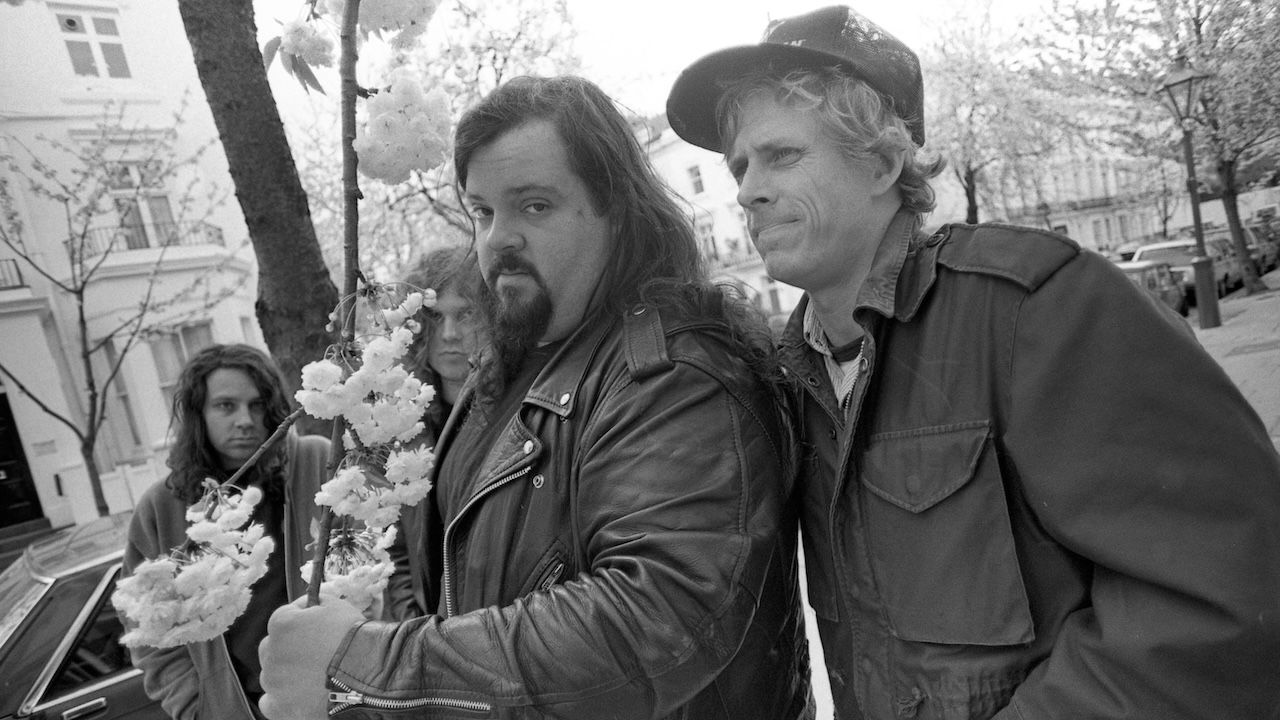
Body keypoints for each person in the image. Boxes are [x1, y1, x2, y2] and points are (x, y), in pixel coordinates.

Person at [665, 6, 1280, 719]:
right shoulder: (789, 379)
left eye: (781, 155)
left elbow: (1222, 605)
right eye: (740, 166)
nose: (748, 190)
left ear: (882, 162)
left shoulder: (1040, 307)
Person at [258, 75, 814, 720]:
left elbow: (652, 620)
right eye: (483, 211)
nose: (498, 238)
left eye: (535, 205)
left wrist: (366, 669)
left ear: (616, 209)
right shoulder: (506, 369)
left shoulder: (674, 376)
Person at [122, 344, 331, 720]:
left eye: (257, 405)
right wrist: (199, 707)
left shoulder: (315, 462)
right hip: (236, 706)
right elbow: (148, 627)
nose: (245, 420)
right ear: (199, 414)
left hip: (335, 697)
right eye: (225, 406)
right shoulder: (161, 506)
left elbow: (370, 565)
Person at [386, 244, 489, 620]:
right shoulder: (403, 425)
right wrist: (411, 623)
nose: (449, 334)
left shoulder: (520, 415)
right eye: (433, 316)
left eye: (466, 314)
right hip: (426, 625)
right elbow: (396, 546)